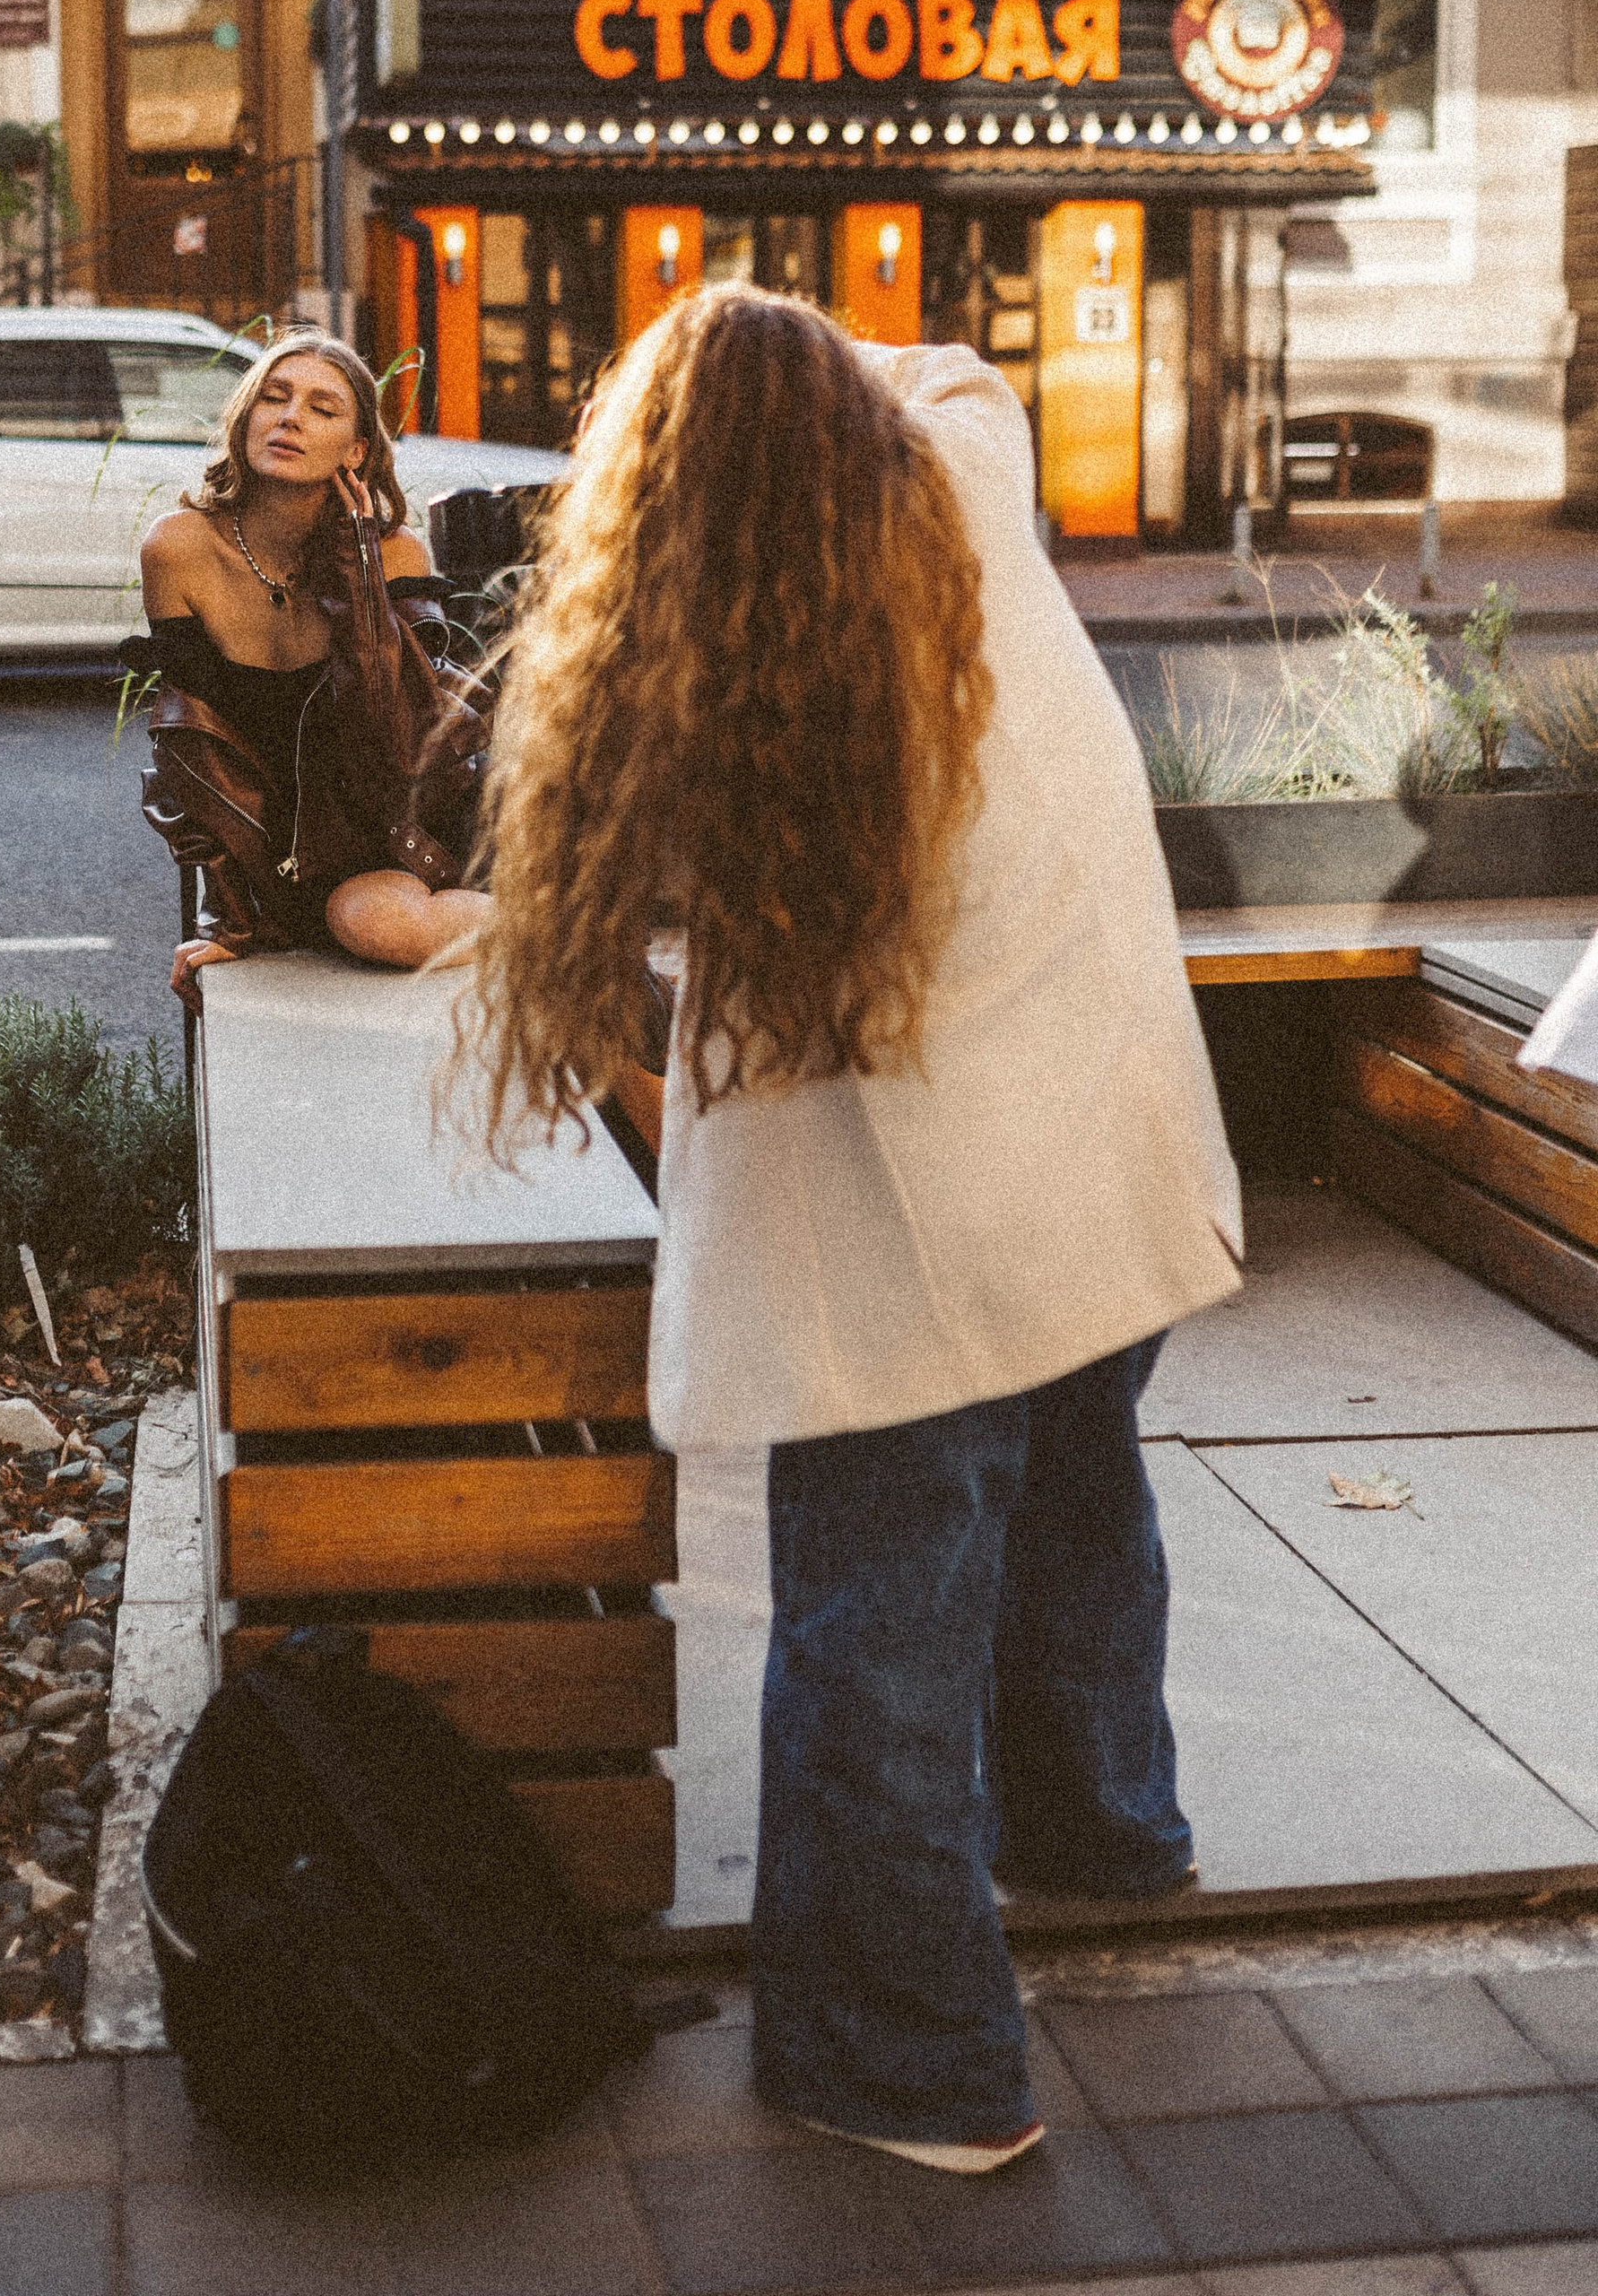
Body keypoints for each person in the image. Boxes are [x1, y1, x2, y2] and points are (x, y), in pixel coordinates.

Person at [466, 287, 1242, 2175]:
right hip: (1108, 1148)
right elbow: (931, 369)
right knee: (1077, 1500)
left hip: (914, 1244)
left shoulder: (716, 717)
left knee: (876, 1627)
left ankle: (910, 2069)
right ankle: (1103, 1833)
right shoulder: (967, 475)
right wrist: (768, 368)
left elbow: (611, 916)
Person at [135, 335, 489, 1002]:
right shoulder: (179, 548)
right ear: (246, 419)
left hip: (399, 831)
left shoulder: (394, 554)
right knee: (350, 918)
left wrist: (358, 572)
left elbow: (402, 746)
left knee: (372, 923)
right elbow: (193, 750)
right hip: (282, 860)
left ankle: (555, 923)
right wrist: (237, 919)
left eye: (322, 409)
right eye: (274, 398)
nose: (291, 417)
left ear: (356, 451)